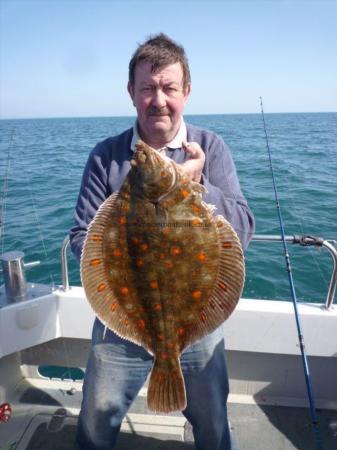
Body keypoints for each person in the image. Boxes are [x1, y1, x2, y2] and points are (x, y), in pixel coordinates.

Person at [70, 33, 255, 450]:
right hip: (123, 322)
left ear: (185, 92)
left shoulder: (211, 149)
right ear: (131, 93)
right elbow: (82, 234)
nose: (158, 99)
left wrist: (201, 187)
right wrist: (124, 259)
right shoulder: (106, 156)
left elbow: (242, 228)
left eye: (169, 88)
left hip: (195, 322)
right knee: (95, 421)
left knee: (214, 423)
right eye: (147, 88)